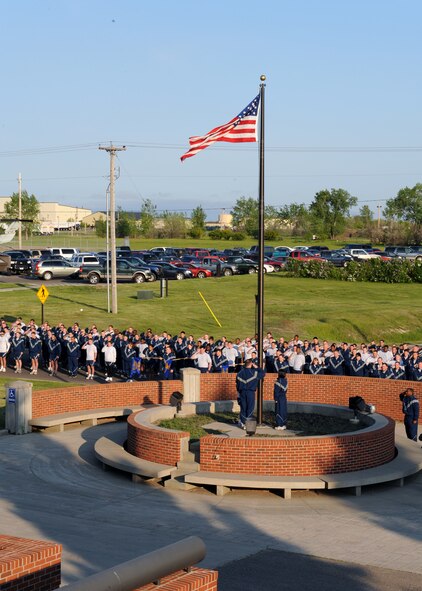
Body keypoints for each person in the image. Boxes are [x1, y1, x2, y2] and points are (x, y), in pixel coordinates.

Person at [235, 359, 265, 429]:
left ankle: (243, 423)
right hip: (250, 392)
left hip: (242, 392)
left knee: (243, 408)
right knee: (250, 408)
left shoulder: (239, 373)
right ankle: (248, 423)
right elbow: (263, 373)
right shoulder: (254, 372)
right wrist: (256, 367)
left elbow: (237, 383)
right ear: (251, 364)